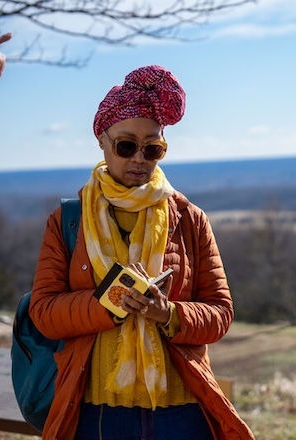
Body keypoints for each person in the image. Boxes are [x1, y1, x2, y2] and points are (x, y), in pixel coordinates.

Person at [29, 65, 254, 439]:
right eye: (126, 145)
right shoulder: (67, 221)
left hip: (180, 409)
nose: (139, 159)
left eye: (152, 148)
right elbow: (44, 313)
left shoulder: (189, 219)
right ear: (102, 140)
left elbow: (221, 313)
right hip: (97, 409)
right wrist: (107, 304)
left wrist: (169, 314)